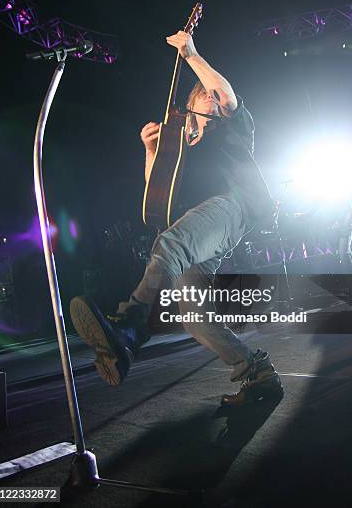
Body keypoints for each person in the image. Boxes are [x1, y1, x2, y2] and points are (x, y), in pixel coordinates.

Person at [70, 30, 283, 406]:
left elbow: (228, 97)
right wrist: (151, 151)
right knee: (193, 312)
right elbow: (157, 196)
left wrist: (192, 56)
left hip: (232, 207)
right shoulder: (183, 149)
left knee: (170, 243)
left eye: (212, 96)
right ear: (191, 110)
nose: (213, 98)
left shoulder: (231, 131)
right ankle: (257, 372)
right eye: (205, 96)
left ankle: (129, 329)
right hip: (200, 230)